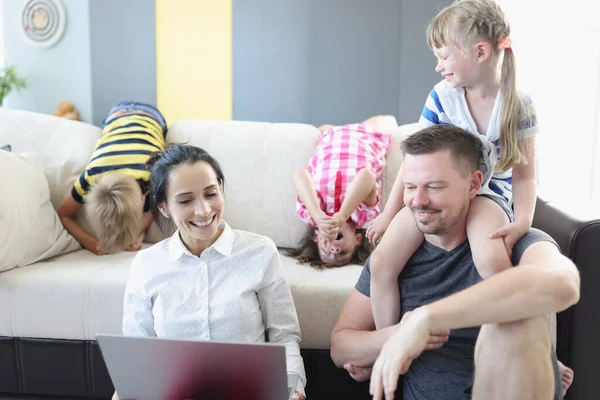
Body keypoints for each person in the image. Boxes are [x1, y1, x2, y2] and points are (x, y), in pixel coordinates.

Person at [330, 125, 580, 400]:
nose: (418, 201)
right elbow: (340, 348)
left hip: (510, 387)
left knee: (518, 321)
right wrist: (399, 334)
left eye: (435, 187)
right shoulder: (395, 257)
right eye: (410, 187)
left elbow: (564, 284)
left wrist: (428, 318)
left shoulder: (514, 242)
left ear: (474, 184)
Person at [113, 144, 306, 400]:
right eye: (185, 201)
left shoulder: (260, 252)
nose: (203, 211)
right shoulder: (146, 265)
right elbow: (138, 355)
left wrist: (293, 392)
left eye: (211, 194)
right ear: (163, 208)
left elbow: (285, 335)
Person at [57, 101, 167, 255]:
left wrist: (134, 234)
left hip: (147, 116)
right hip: (121, 115)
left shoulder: (152, 175)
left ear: (143, 199)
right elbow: (63, 214)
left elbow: (152, 211)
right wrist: (94, 244)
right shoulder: (91, 176)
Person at [287, 116, 395, 268]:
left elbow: (300, 175)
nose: (334, 249)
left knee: (325, 127)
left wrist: (318, 216)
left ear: (317, 237)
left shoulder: (310, 214)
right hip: (365, 137)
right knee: (389, 120)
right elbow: (366, 176)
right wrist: (343, 215)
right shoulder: (364, 217)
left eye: (327, 252)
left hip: (332, 137)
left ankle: (330, 128)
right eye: (342, 253)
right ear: (357, 240)